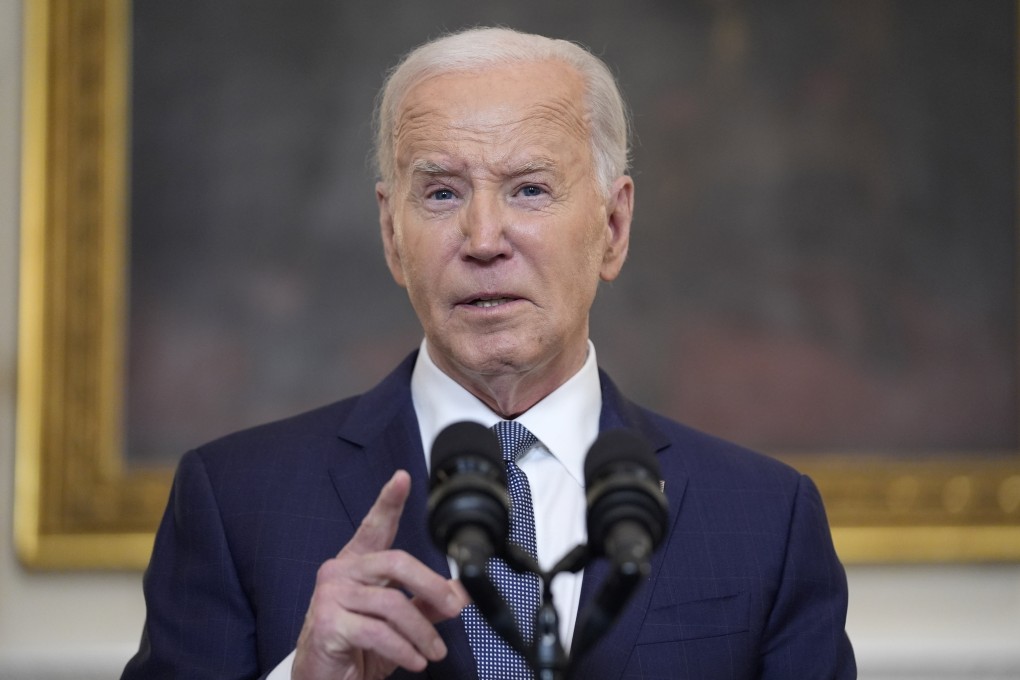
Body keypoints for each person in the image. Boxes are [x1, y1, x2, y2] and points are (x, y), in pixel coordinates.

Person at [122, 27, 855, 680]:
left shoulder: (765, 517)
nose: (481, 239)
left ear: (613, 227)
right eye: (441, 194)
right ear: (391, 234)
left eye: (529, 190)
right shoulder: (235, 500)